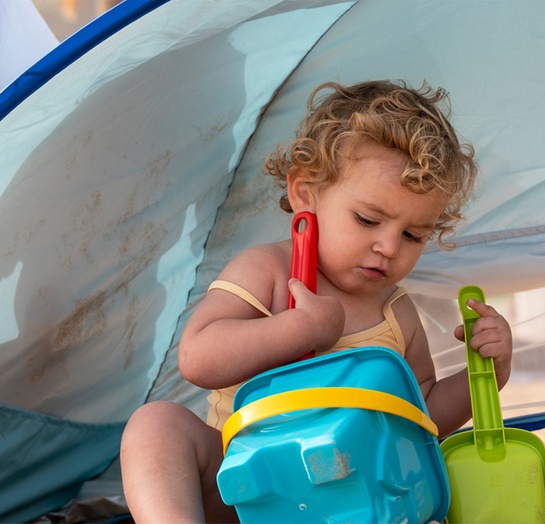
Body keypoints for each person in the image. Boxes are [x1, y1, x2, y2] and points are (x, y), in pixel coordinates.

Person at [120, 79, 514, 523]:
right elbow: (197, 356)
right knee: (155, 425)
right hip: (244, 489)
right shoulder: (267, 271)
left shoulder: (395, 312)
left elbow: (422, 419)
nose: (388, 246)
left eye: (412, 235)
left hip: (357, 502)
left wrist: (486, 373)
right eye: (368, 219)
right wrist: (300, 329)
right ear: (306, 193)